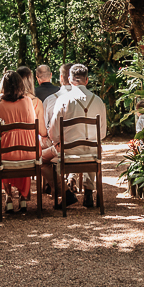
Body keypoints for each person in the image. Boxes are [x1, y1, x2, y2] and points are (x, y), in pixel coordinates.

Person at [44, 64, 108, 209]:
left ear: (70, 80)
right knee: (91, 147)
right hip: (93, 152)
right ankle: (89, 191)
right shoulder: (99, 101)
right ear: (87, 80)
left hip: (68, 152)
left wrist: (57, 141)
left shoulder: (63, 100)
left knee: (45, 159)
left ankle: (66, 193)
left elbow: (53, 133)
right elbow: (102, 134)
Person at [0, 71, 39, 213]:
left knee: (1, 154)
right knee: (23, 154)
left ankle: (8, 197)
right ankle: (23, 199)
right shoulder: (28, 102)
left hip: (7, 155)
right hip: (29, 153)